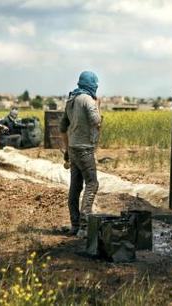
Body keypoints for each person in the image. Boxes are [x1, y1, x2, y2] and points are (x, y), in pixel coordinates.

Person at [59, 71, 101, 236]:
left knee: (75, 188)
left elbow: (63, 128)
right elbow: (96, 121)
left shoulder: (71, 99)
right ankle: (84, 226)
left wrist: (67, 151)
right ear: (91, 84)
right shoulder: (87, 99)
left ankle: (75, 225)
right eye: (95, 84)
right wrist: (97, 107)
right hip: (84, 149)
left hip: (74, 149)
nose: (96, 86)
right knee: (92, 184)